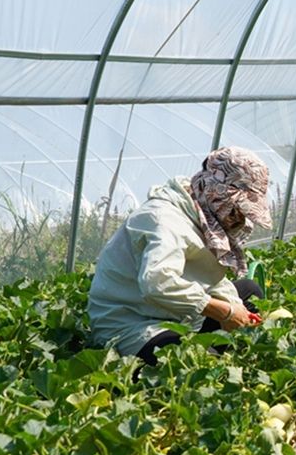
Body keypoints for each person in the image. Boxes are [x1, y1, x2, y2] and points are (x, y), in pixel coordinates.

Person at [88, 146, 272, 367]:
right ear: (219, 193)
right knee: (197, 363)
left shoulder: (201, 213)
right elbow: (158, 283)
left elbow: (208, 279)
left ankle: (225, 352)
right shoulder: (164, 220)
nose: (240, 217)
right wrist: (225, 312)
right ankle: (214, 357)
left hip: (175, 314)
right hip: (133, 324)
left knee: (248, 291)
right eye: (238, 208)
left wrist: (235, 306)